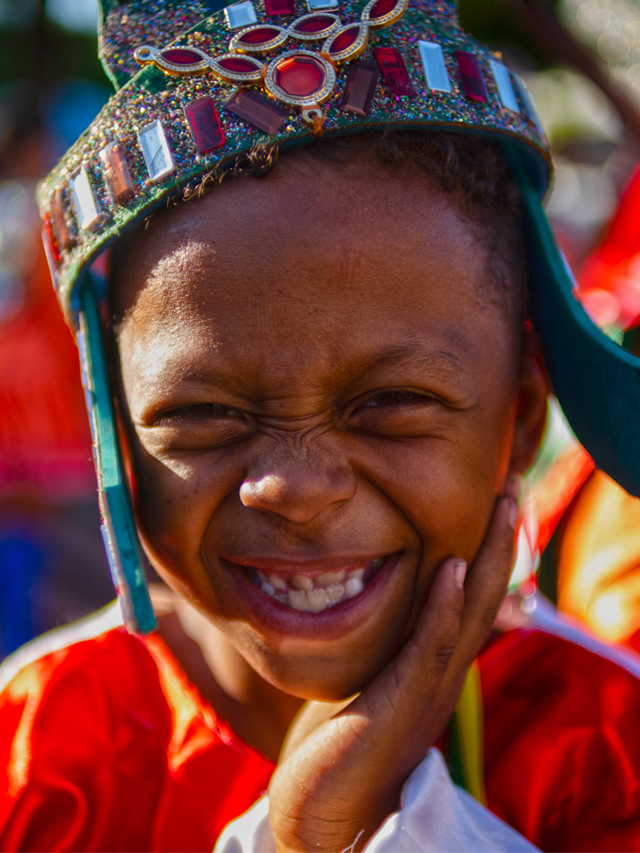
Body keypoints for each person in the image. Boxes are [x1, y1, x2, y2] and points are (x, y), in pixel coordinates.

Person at [3, 1, 640, 850]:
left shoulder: (612, 752)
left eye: (390, 404)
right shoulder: (34, 751)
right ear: (117, 435)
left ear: (521, 418)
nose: (297, 489)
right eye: (204, 415)